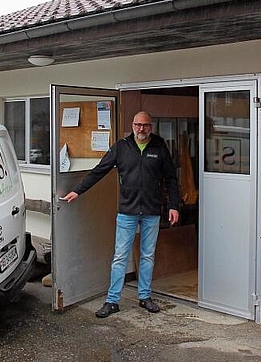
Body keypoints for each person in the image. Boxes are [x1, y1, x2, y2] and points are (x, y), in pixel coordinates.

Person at [62, 111, 180, 318]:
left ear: (151, 127)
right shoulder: (122, 147)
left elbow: (171, 178)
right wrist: (78, 190)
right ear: (132, 126)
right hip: (127, 211)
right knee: (120, 257)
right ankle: (112, 301)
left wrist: (174, 205)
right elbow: (99, 170)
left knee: (148, 256)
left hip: (152, 211)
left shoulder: (160, 147)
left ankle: (145, 296)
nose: (141, 129)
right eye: (137, 124)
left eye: (145, 125)